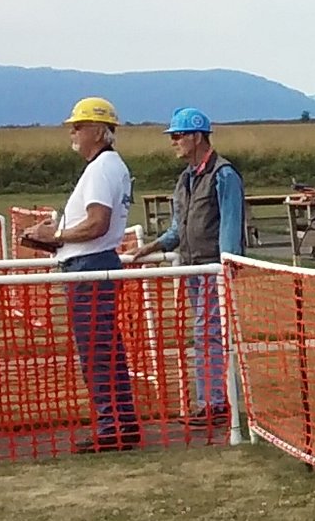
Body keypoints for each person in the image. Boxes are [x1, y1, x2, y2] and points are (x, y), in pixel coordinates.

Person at [20, 97, 139, 452]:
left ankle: (111, 426)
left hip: (90, 269)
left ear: (98, 131)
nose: (72, 132)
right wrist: (54, 238)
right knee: (105, 349)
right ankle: (121, 422)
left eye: (78, 125)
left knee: (97, 351)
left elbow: (96, 224)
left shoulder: (102, 169)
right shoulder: (105, 167)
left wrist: (55, 237)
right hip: (89, 265)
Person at [131, 108, 246, 427]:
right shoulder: (185, 179)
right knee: (204, 334)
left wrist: (226, 267)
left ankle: (215, 403)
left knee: (209, 335)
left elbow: (231, 227)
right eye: (173, 137)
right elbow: (178, 228)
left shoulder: (224, 175)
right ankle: (213, 401)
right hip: (194, 269)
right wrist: (153, 246)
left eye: (178, 136)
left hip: (213, 268)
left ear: (197, 137)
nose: (174, 142)